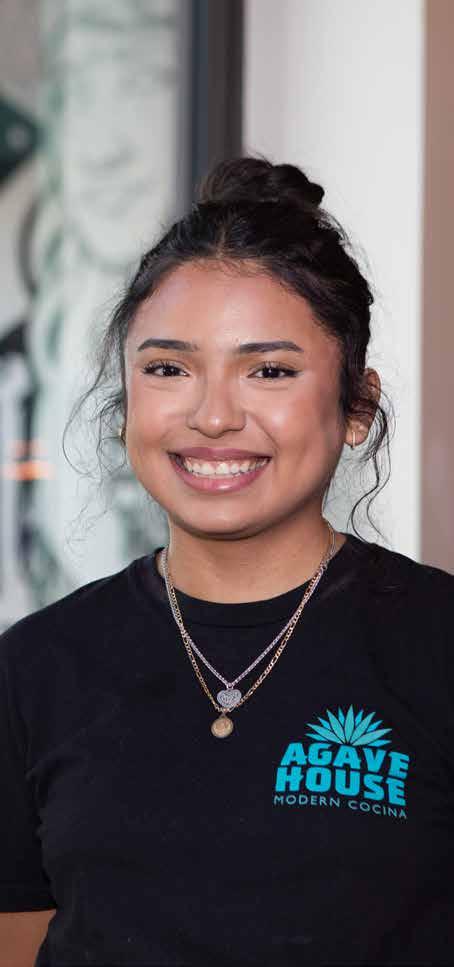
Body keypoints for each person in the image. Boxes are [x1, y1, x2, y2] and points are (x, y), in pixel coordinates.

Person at [0, 156, 453, 967]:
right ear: (125, 404)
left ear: (357, 405)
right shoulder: (33, 667)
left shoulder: (437, 643)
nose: (212, 416)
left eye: (269, 370)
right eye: (168, 369)